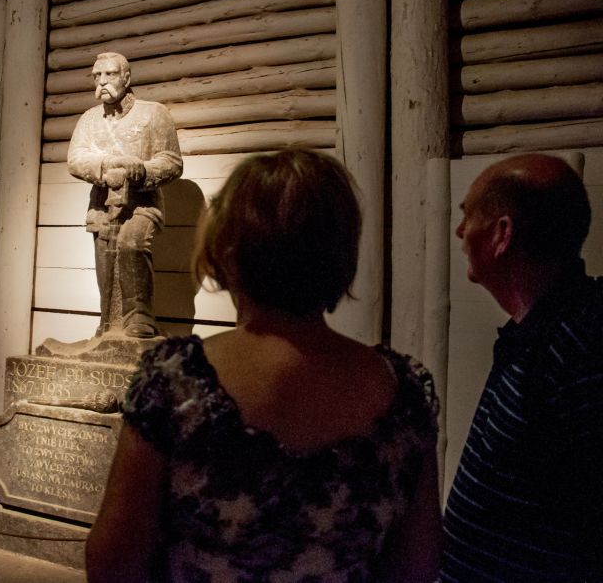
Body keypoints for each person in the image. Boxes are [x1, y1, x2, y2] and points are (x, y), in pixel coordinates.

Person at [87, 150, 441, 582]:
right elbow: (416, 568)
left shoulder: (176, 380)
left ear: (228, 249)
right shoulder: (403, 389)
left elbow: (113, 564)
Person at [442, 153, 603, 582]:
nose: (460, 231)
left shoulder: (578, 350)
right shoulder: (541, 334)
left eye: (468, 215)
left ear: (501, 234)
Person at [67, 52, 182, 338]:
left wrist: (140, 170)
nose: (102, 81)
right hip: (102, 207)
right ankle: (108, 325)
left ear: (126, 77)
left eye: (110, 74)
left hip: (141, 204)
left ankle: (139, 317)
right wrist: (106, 167)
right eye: (97, 76)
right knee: (105, 263)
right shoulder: (90, 119)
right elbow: (76, 159)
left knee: (132, 245)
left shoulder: (154, 113)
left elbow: (172, 161)